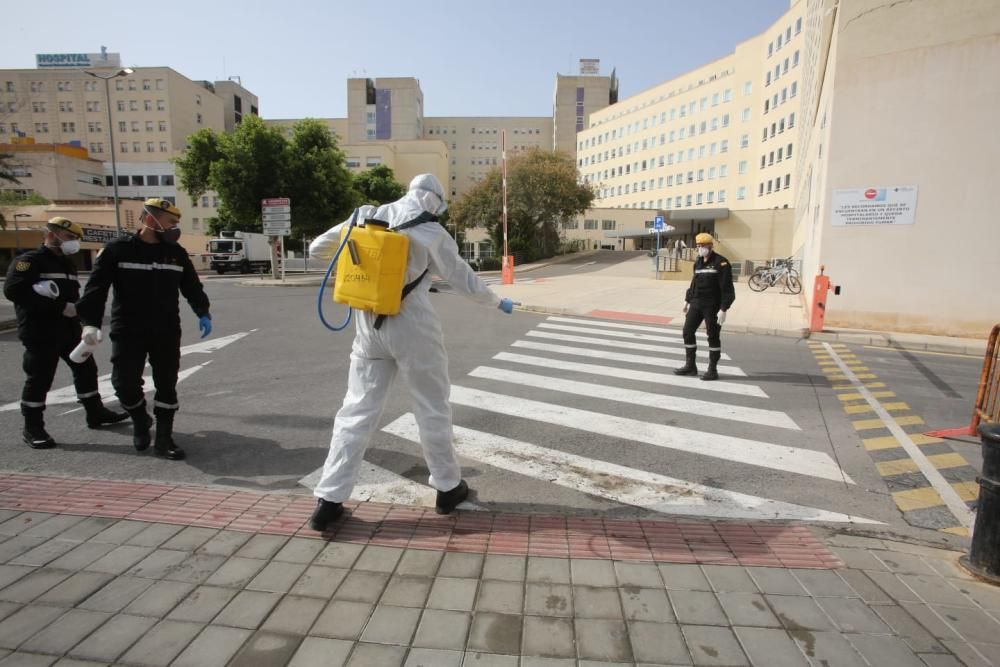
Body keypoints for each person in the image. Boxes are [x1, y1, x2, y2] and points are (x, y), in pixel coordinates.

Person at [307, 174, 515, 530]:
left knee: (355, 412)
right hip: (413, 327)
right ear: (434, 201)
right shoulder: (431, 232)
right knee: (432, 408)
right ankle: (448, 488)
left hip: (368, 325)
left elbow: (317, 251)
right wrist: (498, 302)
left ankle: (329, 500)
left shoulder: (363, 215)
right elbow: (463, 278)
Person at [75, 198, 212, 460]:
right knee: (123, 383)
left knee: (166, 384)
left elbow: (192, 286)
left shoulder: (176, 253)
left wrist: (202, 312)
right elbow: (95, 289)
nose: (175, 227)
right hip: (128, 329)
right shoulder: (118, 250)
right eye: (171, 222)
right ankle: (139, 419)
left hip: (166, 329)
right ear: (151, 219)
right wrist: (89, 323)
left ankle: (164, 438)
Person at [4, 217, 129, 448]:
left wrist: (84, 320)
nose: (73, 243)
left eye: (75, 239)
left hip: (69, 329)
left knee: (86, 370)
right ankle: (33, 427)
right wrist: (58, 307)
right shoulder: (29, 261)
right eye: (70, 237)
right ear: (52, 234)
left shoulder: (66, 264)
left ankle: (96, 413)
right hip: (40, 331)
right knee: (39, 378)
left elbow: (73, 297)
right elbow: (13, 291)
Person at [674, 232, 735, 382]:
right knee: (687, 331)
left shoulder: (722, 263)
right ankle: (690, 366)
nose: (699, 248)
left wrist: (723, 308)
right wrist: (687, 300)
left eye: (702, 245)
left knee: (712, 336)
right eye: (698, 246)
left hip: (712, 306)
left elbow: (727, 288)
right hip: (696, 303)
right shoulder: (699, 262)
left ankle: (712, 369)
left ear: (710, 245)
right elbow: (694, 283)